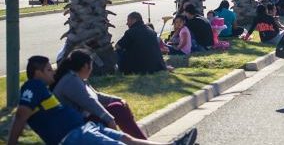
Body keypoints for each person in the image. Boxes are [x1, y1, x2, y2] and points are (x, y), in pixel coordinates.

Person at [7, 56, 197, 145]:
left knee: (127, 139)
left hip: (82, 128)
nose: (53, 72)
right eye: (49, 69)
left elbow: (95, 97)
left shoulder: (49, 88)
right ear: (38, 72)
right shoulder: (33, 87)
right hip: (71, 135)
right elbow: (21, 116)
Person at [53, 49, 148, 139]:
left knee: (119, 105)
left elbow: (96, 96)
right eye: (91, 65)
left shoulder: (78, 77)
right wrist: (109, 119)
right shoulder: (71, 80)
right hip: (78, 126)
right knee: (117, 108)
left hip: (86, 119)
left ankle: (139, 141)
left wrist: (118, 99)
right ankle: (141, 142)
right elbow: (89, 102)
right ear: (86, 66)